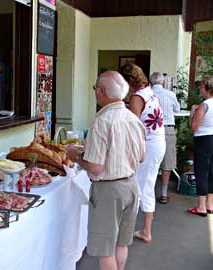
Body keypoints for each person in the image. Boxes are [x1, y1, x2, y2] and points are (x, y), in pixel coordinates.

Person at [67, 71, 145, 270]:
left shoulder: (101, 121)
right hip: (131, 185)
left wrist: (75, 156)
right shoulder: (133, 118)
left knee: (105, 250)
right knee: (121, 242)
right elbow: (141, 157)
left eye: (95, 88)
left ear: (101, 91)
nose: (95, 92)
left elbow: (95, 166)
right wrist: (88, 152)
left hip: (109, 191)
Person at [120, 63, 166, 244]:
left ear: (129, 80)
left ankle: (131, 230)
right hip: (158, 143)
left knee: (138, 187)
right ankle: (145, 230)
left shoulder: (137, 97)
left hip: (148, 145)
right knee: (147, 185)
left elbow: (134, 127)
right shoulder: (149, 92)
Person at [150, 72, 180, 204]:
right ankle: (163, 193)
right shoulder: (170, 94)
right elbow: (177, 109)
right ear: (163, 82)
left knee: (151, 162)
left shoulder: (147, 94)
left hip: (151, 130)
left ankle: (148, 191)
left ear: (151, 82)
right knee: (167, 163)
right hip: (167, 129)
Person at [188, 76, 213, 217]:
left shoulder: (204, 105)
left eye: (201, 86)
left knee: (202, 171)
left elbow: (194, 126)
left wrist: (192, 113)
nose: (199, 88)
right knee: (212, 171)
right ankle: (210, 203)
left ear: (207, 88)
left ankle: (201, 206)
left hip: (203, 140)